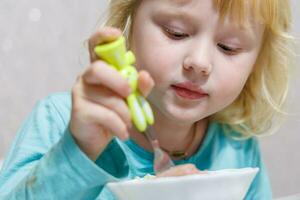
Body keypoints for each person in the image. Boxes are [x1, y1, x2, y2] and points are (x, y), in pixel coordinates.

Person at [0, 0, 293, 199]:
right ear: (130, 21)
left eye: (229, 48)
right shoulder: (61, 121)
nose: (200, 62)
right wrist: (77, 152)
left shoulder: (237, 147)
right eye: (175, 32)